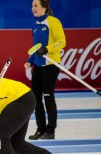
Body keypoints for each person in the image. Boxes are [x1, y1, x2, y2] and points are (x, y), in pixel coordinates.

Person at [24, 0, 66, 140]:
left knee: (48, 97)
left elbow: (61, 41)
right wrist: (30, 61)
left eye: (36, 6)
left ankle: (51, 130)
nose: (33, 8)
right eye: (32, 6)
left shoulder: (53, 22)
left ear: (44, 7)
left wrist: (48, 49)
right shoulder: (35, 25)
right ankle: (40, 129)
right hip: (38, 66)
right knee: (35, 99)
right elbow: (35, 47)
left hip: (51, 65)